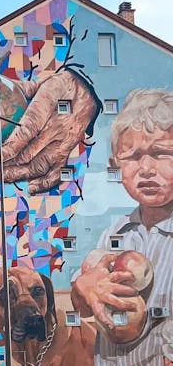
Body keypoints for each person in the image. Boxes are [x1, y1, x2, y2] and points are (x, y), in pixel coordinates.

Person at [70, 88, 173, 365]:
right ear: (116, 166)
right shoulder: (116, 233)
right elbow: (83, 308)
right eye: (133, 157)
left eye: (162, 153)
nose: (147, 169)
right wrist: (83, 288)